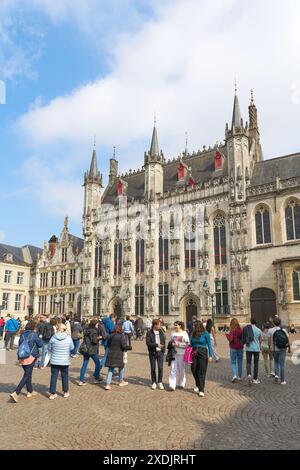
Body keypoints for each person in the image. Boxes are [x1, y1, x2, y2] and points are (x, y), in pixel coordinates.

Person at [10, 321, 43, 403]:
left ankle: (30, 391)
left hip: (22, 356)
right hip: (30, 356)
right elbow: (40, 344)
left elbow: (19, 343)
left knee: (28, 374)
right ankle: (16, 392)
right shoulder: (34, 335)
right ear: (34, 327)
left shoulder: (23, 334)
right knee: (27, 375)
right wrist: (39, 337)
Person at [48, 323, 74, 399]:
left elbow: (49, 348)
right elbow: (72, 348)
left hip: (54, 360)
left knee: (54, 376)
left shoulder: (53, 338)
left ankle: (52, 393)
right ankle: (65, 392)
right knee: (65, 376)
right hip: (64, 360)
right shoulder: (68, 338)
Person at [190, 321, 213, 397]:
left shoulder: (205, 333)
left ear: (198, 326)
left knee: (201, 371)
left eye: (194, 326)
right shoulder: (193, 334)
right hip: (194, 351)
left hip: (202, 352)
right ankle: (198, 384)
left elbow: (209, 344)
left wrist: (210, 355)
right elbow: (191, 343)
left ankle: (201, 389)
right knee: (193, 369)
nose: (193, 327)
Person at [104, 324, 130, 390]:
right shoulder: (121, 336)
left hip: (111, 354)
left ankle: (107, 384)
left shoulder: (110, 335)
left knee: (110, 369)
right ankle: (121, 381)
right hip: (119, 354)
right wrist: (130, 347)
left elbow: (108, 345)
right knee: (121, 367)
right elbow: (124, 346)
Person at [79, 319, 102, 386]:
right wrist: (99, 337)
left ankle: (81, 380)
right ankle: (96, 378)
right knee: (98, 363)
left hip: (85, 349)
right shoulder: (94, 331)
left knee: (84, 364)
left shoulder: (86, 330)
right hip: (92, 350)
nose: (98, 325)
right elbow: (94, 341)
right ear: (95, 324)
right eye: (97, 324)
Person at [268, 317, 291, 385]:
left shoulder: (270, 330)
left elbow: (269, 341)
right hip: (283, 349)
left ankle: (277, 377)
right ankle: (283, 380)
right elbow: (287, 339)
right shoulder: (284, 330)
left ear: (273, 323)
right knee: (282, 364)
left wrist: (269, 348)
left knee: (276, 363)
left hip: (275, 349)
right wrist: (289, 348)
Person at [168, 321, 189, 391]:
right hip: (174, 353)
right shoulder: (172, 333)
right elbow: (170, 342)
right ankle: (172, 385)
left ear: (180, 326)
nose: (175, 326)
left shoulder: (184, 333)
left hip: (182, 354)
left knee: (181, 369)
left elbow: (187, 345)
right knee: (173, 369)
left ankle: (181, 383)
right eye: (174, 325)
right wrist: (172, 344)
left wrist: (179, 345)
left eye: (176, 325)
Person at [146, 319, 166, 390]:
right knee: (153, 368)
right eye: (159, 324)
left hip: (160, 352)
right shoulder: (149, 333)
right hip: (153, 353)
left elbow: (163, 340)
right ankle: (153, 382)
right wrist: (156, 345)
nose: (160, 325)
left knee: (160, 367)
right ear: (155, 325)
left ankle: (160, 381)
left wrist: (163, 350)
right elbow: (148, 343)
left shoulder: (161, 331)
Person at [243, 318, 262, 385]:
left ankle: (249, 374)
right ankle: (255, 379)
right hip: (256, 348)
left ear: (250, 322)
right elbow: (260, 340)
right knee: (256, 363)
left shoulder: (247, 329)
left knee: (248, 362)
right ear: (256, 322)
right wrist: (260, 348)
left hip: (249, 348)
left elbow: (244, 337)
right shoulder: (259, 330)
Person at [225, 318, 244, 383]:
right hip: (240, 347)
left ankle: (235, 375)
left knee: (233, 362)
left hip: (233, 347)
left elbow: (230, 339)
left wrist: (227, 335)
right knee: (240, 362)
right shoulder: (241, 330)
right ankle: (240, 376)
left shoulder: (232, 330)